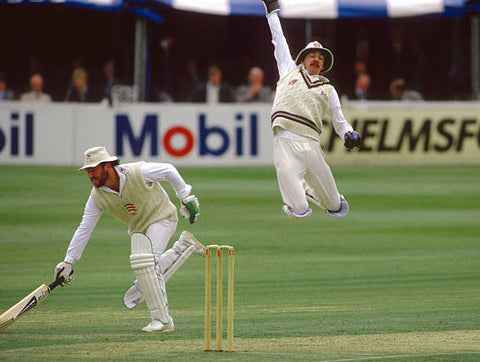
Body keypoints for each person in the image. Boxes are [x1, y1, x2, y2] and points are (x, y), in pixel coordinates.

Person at [53, 146, 203, 333]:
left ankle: (163, 320)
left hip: (162, 217)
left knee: (146, 263)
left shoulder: (138, 172)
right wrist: (68, 261)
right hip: (139, 228)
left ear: (107, 166)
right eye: (88, 171)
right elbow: (84, 228)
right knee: (144, 265)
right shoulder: (97, 197)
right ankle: (183, 247)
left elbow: (169, 170)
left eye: (94, 170)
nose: (90, 175)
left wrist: (184, 197)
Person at [261, 0, 361, 222]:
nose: (316, 59)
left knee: (336, 207)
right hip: (285, 142)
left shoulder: (328, 89)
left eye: (321, 57)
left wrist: (348, 133)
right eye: (312, 55)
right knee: (298, 212)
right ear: (302, 59)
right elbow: (279, 40)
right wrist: (272, 12)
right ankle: (303, 189)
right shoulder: (288, 71)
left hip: (312, 146)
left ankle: (311, 188)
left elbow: (339, 120)